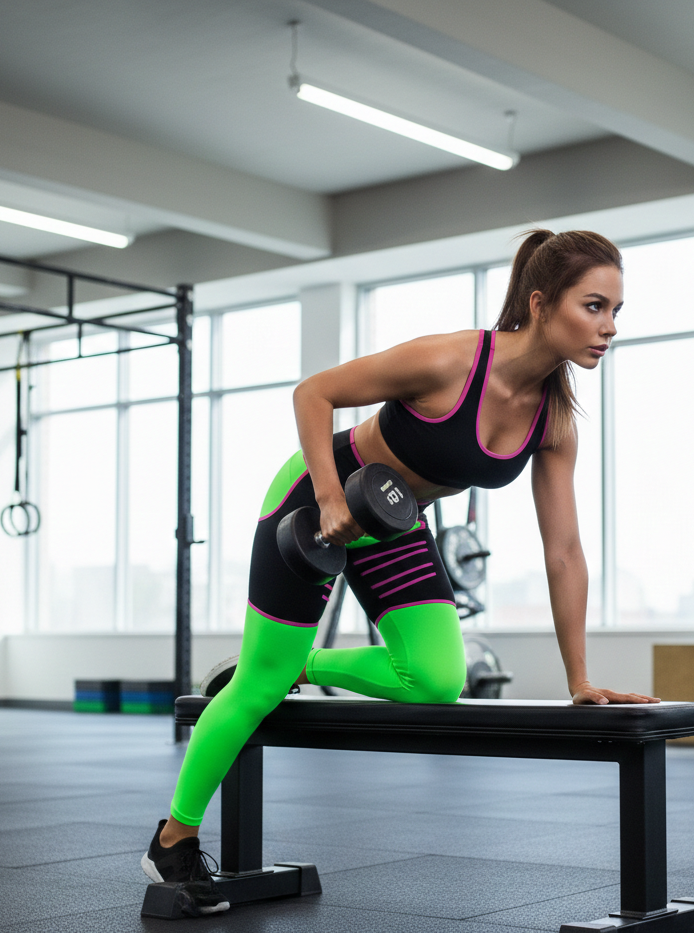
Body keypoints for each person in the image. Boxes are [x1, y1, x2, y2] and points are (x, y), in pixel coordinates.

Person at [141, 228, 660, 913]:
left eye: (616, 311)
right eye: (594, 306)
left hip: (393, 517)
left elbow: (562, 550)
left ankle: (302, 664)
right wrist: (329, 498)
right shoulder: (450, 360)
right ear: (540, 303)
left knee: (438, 678)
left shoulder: (554, 418)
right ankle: (172, 840)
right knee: (257, 686)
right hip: (317, 494)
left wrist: (579, 680)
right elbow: (313, 393)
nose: (609, 327)